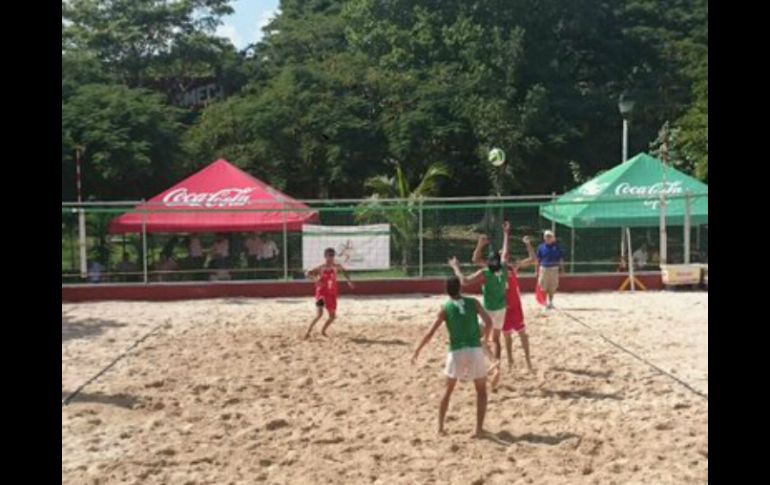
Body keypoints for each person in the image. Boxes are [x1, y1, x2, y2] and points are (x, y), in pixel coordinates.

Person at [411, 276, 495, 437]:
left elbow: (430, 333)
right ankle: (478, 429)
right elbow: (489, 322)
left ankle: (440, 427)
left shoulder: (445, 308)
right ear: (460, 288)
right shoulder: (474, 302)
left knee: (448, 391)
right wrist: (486, 339)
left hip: (456, 352)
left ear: (446, 291)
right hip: (474, 349)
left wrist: (418, 350)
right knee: (481, 391)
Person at [448, 231, 509, 378]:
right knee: (496, 339)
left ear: (489, 263)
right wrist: (506, 233)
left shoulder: (485, 273)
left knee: (477, 339)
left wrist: (456, 267)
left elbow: (464, 282)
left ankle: (493, 362)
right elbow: (504, 253)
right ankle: (497, 369)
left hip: (489, 310)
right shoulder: (505, 268)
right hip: (501, 309)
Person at [497, 223, 537, 374]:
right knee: (507, 337)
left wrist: (528, 244)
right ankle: (511, 363)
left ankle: (528, 362)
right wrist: (506, 234)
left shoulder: (513, 266)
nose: (504, 255)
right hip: (505, 307)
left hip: (515, 306)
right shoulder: (497, 270)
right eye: (502, 254)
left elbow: (533, 259)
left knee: (522, 335)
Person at [304, 247, 354, 339]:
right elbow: (307, 273)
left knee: (333, 316)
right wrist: (316, 280)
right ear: (325, 256)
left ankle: (323, 331)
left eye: (332, 255)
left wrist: (349, 281)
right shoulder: (321, 267)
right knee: (319, 314)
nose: (331, 258)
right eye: (329, 255)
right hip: (321, 293)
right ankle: (308, 331)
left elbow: (345, 272)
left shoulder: (336, 266)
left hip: (332, 294)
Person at [536, 230, 565, 309]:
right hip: (544, 269)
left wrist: (562, 269)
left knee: (552, 287)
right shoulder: (541, 247)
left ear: (553, 238)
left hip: (554, 269)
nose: (548, 238)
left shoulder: (557, 247)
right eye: (547, 236)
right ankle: (545, 303)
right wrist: (536, 270)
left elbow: (561, 259)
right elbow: (538, 259)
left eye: (550, 236)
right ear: (544, 238)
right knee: (543, 287)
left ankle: (551, 302)